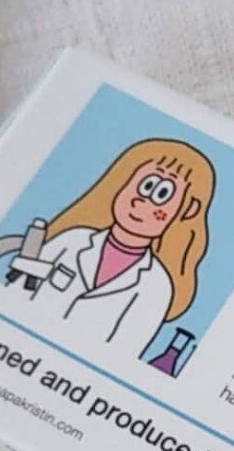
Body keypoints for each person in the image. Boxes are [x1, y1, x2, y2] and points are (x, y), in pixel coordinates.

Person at [16, 138, 215, 356]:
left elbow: (122, 355)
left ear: (187, 210)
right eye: (145, 186)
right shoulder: (71, 241)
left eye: (162, 194)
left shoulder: (156, 287)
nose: (140, 202)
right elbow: (15, 290)